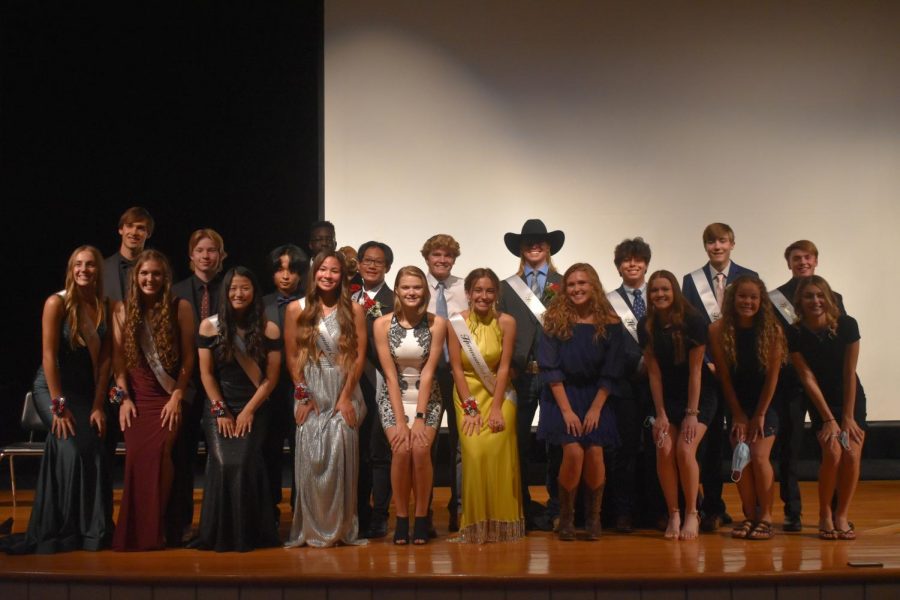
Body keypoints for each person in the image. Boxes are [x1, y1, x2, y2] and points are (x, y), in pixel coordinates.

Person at [2, 246, 114, 554]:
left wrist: (98, 405)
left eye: (90, 265)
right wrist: (59, 407)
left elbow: (105, 364)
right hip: (53, 391)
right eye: (78, 264)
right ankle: (60, 530)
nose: (84, 270)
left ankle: (89, 532)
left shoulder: (105, 306)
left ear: (98, 271)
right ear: (71, 268)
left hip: (86, 394)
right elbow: (49, 357)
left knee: (93, 447)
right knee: (71, 447)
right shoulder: (57, 303)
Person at [191, 267, 282, 551]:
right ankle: (218, 533)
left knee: (244, 461)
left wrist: (248, 411)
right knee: (221, 462)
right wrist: (220, 409)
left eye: (244, 288)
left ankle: (249, 534)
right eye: (232, 289)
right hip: (219, 404)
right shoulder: (209, 326)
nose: (238, 294)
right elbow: (206, 374)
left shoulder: (269, 328)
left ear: (253, 291)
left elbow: (271, 378)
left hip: (255, 405)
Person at [111, 250, 195, 551]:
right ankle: (136, 527)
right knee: (136, 459)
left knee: (161, 454)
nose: (150, 279)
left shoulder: (180, 307)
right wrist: (123, 398)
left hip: (167, 395)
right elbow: (118, 362)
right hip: (137, 397)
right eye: (144, 273)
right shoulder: (121, 310)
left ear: (165, 277)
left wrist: (177, 395)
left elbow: (188, 358)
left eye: (156, 274)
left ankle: (154, 526)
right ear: (136, 276)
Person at [284, 251, 367, 548]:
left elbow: (358, 357)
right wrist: (303, 396)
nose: (328, 276)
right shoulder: (297, 308)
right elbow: (293, 356)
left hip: (343, 388)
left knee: (341, 446)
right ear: (314, 273)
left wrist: (345, 398)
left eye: (334, 271)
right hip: (310, 388)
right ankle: (311, 527)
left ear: (342, 276)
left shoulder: (355, 310)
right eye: (322, 270)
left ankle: (342, 527)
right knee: (311, 455)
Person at [538, 263, 625, 541]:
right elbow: (550, 369)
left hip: (597, 395)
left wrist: (596, 408)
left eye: (582, 283)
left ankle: (593, 518)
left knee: (596, 453)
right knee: (574, 452)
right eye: (571, 284)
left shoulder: (610, 322)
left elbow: (612, 370)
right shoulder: (554, 320)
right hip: (560, 396)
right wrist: (567, 412)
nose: (576, 289)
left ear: (594, 286)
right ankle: (566, 517)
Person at [681, 222, 758, 532]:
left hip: (742, 375)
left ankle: (754, 508)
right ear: (705, 246)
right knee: (710, 445)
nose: (717, 246)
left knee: (740, 440)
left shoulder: (748, 278)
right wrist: (709, 362)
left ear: (732, 243)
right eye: (711, 242)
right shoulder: (690, 281)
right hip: (708, 373)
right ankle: (712, 507)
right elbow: (691, 327)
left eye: (722, 241)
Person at [770, 240, 846, 532]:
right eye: (796, 258)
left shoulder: (833, 296)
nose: (802, 262)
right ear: (788, 263)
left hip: (824, 385)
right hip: (790, 382)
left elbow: (839, 338)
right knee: (789, 447)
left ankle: (835, 510)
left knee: (832, 447)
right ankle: (793, 511)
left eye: (807, 257)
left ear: (816, 261)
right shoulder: (774, 298)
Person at [497, 219, 564, 531]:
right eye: (528, 242)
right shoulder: (505, 287)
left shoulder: (564, 284)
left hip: (554, 376)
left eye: (540, 241)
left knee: (557, 445)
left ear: (548, 246)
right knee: (517, 444)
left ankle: (557, 507)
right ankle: (520, 506)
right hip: (520, 375)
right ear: (520, 249)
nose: (534, 246)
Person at [787, 275, 866, 541]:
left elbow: (849, 372)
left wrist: (846, 416)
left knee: (852, 455)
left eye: (820, 295)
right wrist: (829, 419)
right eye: (809, 296)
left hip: (850, 398)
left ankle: (841, 514)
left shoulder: (847, 325)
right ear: (800, 301)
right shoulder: (794, 332)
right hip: (820, 401)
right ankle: (824, 514)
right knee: (832, 453)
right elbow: (807, 377)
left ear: (829, 298)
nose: (815, 301)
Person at [448, 268, 524, 543]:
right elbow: (456, 369)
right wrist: (470, 408)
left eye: (489, 290)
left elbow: (504, 368)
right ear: (468, 293)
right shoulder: (455, 322)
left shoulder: (507, 322)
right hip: (467, 395)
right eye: (478, 290)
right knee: (475, 454)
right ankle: (475, 523)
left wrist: (495, 409)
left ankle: (501, 524)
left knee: (497, 453)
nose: (483, 296)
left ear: (496, 294)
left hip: (499, 395)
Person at [640, 270, 716, 540]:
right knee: (664, 448)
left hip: (697, 396)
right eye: (654, 290)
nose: (660, 295)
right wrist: (659, 414)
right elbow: (654, 373)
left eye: (665, 289)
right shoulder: (646, 324)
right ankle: (674, 513)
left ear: (674, 292)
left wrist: (692, 414)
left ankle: (693, 512)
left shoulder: (693, 320)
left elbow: (697, 372)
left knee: (685, 451)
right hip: (665, 397)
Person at [709, 275, 785, 541]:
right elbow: (725, 377)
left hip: (766, 402)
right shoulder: (718, 330)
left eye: (753, 297)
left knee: (760, 457)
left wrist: (760, 414)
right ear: (733, 298)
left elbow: (773, 377)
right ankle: (749, 515)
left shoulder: (772, 330)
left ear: (761, 300)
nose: (748, 301)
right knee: (741, 458)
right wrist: (738, 415)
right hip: (736, 404)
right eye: (742, 296)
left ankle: (765, 517)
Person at [373, 266, 445, 545]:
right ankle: (401, 518)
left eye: (417, 287)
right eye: (406, 287)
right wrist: (402, 421)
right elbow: (390, 375)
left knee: (421, 449)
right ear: (397, 291)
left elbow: (428, 373)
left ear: (424, 290)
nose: (412, 292)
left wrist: (419, 417)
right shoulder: (381, 324)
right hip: (394, 398)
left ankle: (422, 518)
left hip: (428, 398)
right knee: (401, 450)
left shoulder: (438, 323)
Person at [170, 228, 227, 543]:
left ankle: (215, 524)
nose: (206, 256)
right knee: (182, 459)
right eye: (200, 250)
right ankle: (181, 524)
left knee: (220, 460)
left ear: (221, 255)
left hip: (223, 385)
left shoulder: (231, 289)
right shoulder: (175, 290)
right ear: (191, 255)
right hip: (186, 385)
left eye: (212, 250)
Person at [605, 237, 663, 532]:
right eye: (626, 260)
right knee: (624, 451)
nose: (632, 264)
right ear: (618, 267)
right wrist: (638, 363)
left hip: (659, 387)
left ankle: (656, 510)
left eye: (638, 260)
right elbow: (610, 343)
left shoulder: (660, 296)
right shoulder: (608, 300)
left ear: (646, 265)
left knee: (657, 449)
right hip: (625, 386)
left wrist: (653, 365)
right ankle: (623, 512)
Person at [422, 234, 467, 532]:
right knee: (426, 443)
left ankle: (459, 509)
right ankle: (422, 511)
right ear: (427, 257)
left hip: (459, 373)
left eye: (448, 255)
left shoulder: (465, 287)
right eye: (436, 254)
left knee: (461, 444)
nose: (442, 259)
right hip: (423, 373)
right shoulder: (414, 284)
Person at [262, 243, 309, 523]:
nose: (286, 276)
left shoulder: (311, 304)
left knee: (302, 448)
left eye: (292, 270)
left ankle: (301, 509)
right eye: (280, 269)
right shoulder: (261, 304)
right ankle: (269, 507)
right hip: (268, 390)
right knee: (268, 449)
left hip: (302, 387)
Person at [351, 241, 395, 539]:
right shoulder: (347, 297)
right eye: (367, 260)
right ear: (358, 264)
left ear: (387, 267)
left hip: (383, 381)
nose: (372, 265)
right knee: (357, 451)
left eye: (378, 262)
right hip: (352, 383)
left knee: (380, 452)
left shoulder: (396, 300)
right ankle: (358, 512)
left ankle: (380, 514)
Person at [102, 206, 154, 303]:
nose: (134, 232)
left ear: (148, 234)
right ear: (121, 230)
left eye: (140, 228)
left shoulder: (157, 270)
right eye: (130, 226)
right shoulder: (102, 268)